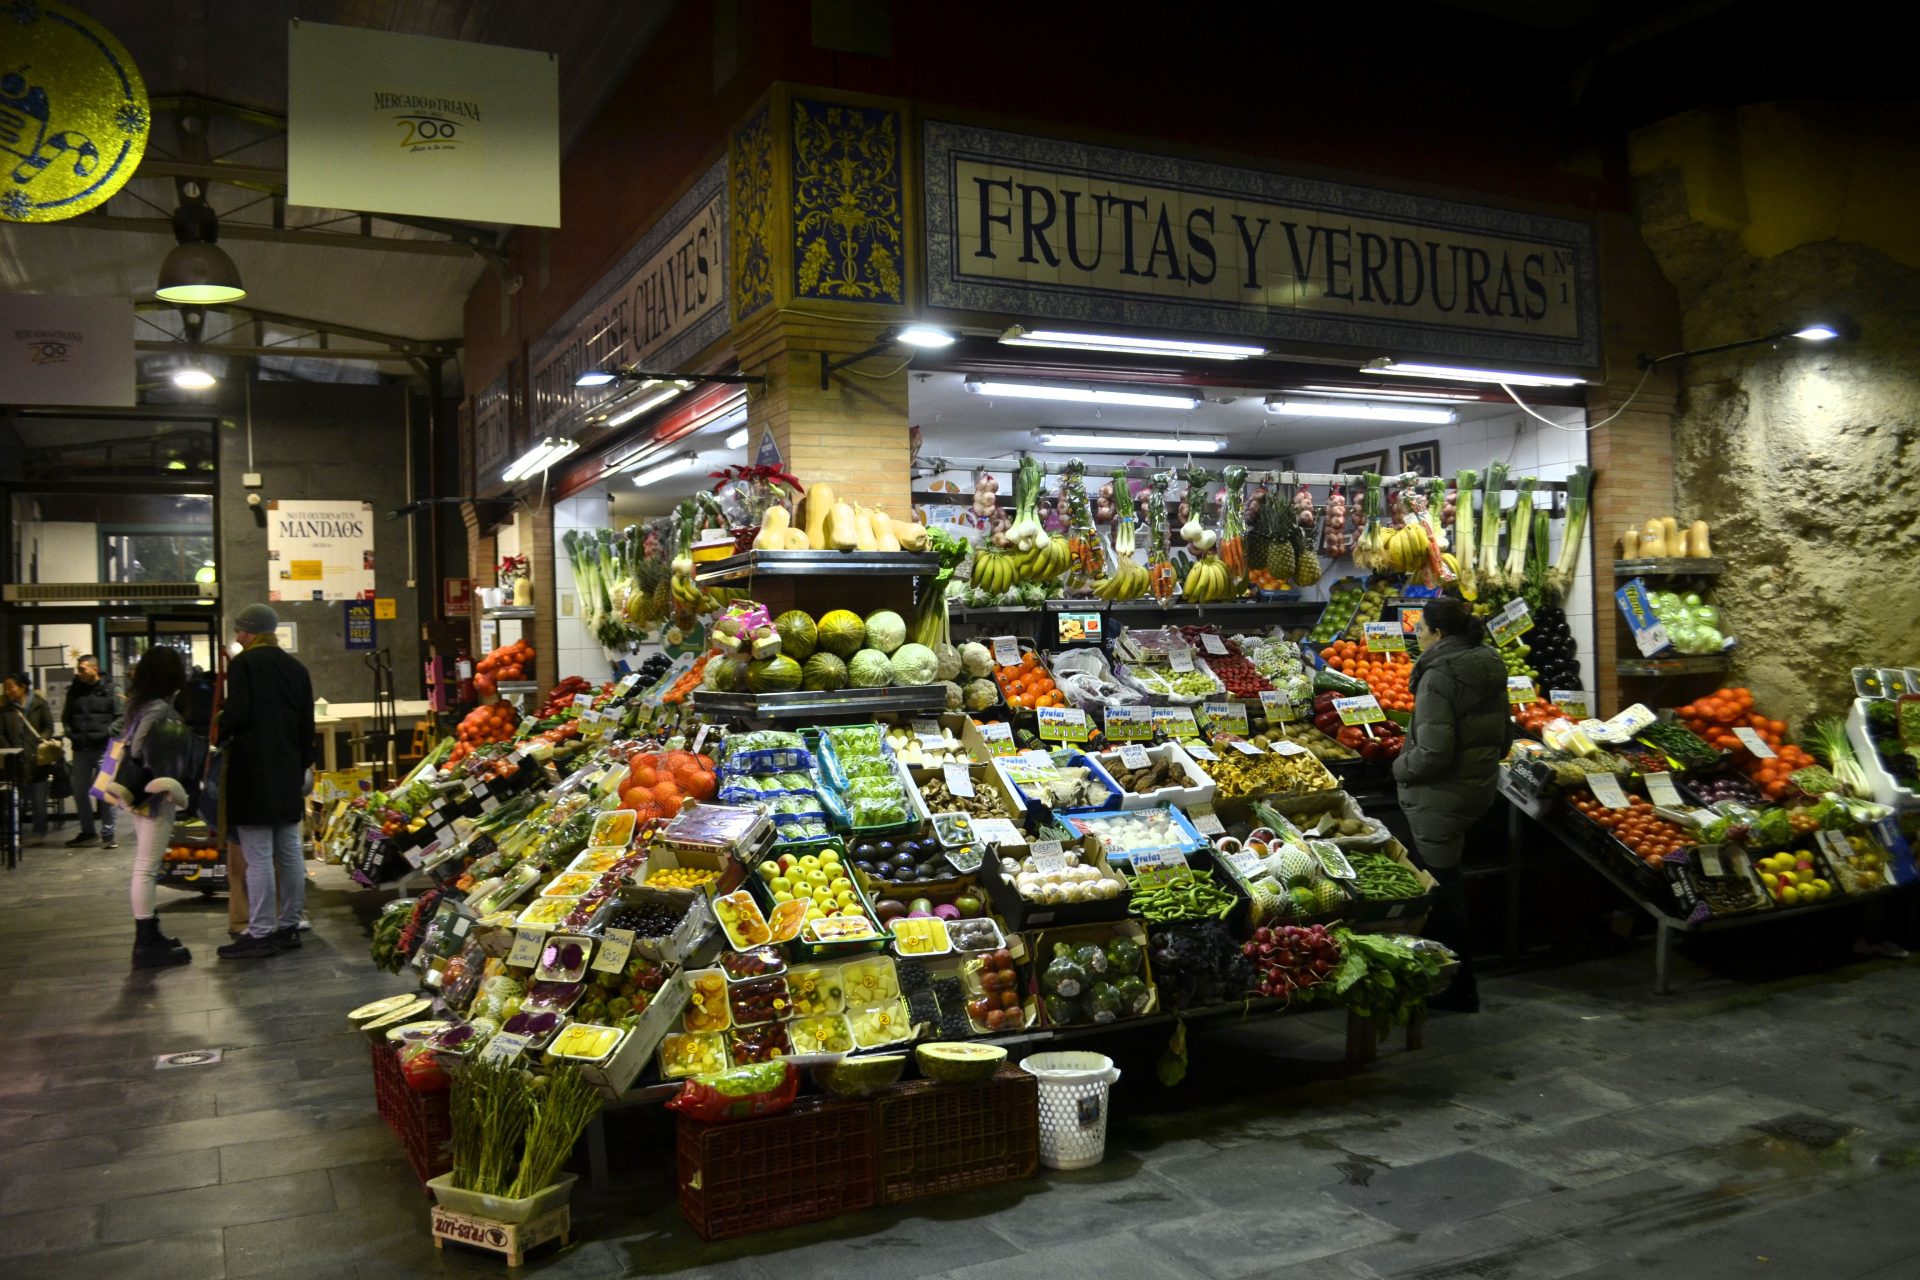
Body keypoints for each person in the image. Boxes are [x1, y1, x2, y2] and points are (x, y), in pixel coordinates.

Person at [1391, 597, 1511, 1012]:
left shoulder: (1437, 674)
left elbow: (1434, 753)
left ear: (1438, 634)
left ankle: (1456, 989)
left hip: (1440, 795)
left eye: (1420, 629)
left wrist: (1400, 767)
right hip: (1478, 787)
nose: (1416, 636)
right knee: (1452, 880)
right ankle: (1453, 981)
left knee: (1441, 891)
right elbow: (1505, 738)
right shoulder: (1490, 662)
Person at [216, 604, 315, 960]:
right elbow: (307, 726)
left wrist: (221, 721)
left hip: (253, 774)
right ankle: (289, 926)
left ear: (252, 632)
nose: (238, 638)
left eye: (241, 631)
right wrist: (301, 765)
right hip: (288, 773)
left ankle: (260, 933)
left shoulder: (244, 665)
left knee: (258, 858)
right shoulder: (297, 669)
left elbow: (239, 715)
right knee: (290, 854)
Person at [103, 646, 195, 968]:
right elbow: (142, 746)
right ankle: (145, 941)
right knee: (147, 867)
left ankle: (150, 933)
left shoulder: (140, 704)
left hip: (137, 794)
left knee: (145, 865)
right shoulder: (158, 708)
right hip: (153, 795)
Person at [62, 654, 121, 849]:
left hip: (105, 748)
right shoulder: (74, 692)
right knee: (79, 790)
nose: (79, 673)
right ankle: (87, 832)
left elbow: (122, 717)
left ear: (94, 669)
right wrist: (71, 734)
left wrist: (107, 732)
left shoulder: (110, 689)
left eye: (83, 669)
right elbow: (67, 716)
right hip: (81, 748)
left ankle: (108, 833)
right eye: (78, 669)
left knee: (104, 792)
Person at [2, 672, 55, 840]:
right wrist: (8, 749)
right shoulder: (5, 709)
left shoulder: (39, 704)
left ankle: (39, 831)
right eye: (5, 688)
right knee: (15, 799)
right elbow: (1, 732)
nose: (7, 691)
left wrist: (41, 742)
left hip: (37, 757)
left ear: (22, 687)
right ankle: (15, 832)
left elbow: (48, 727)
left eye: (11, 687)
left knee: (39, 798)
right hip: (14, 758)